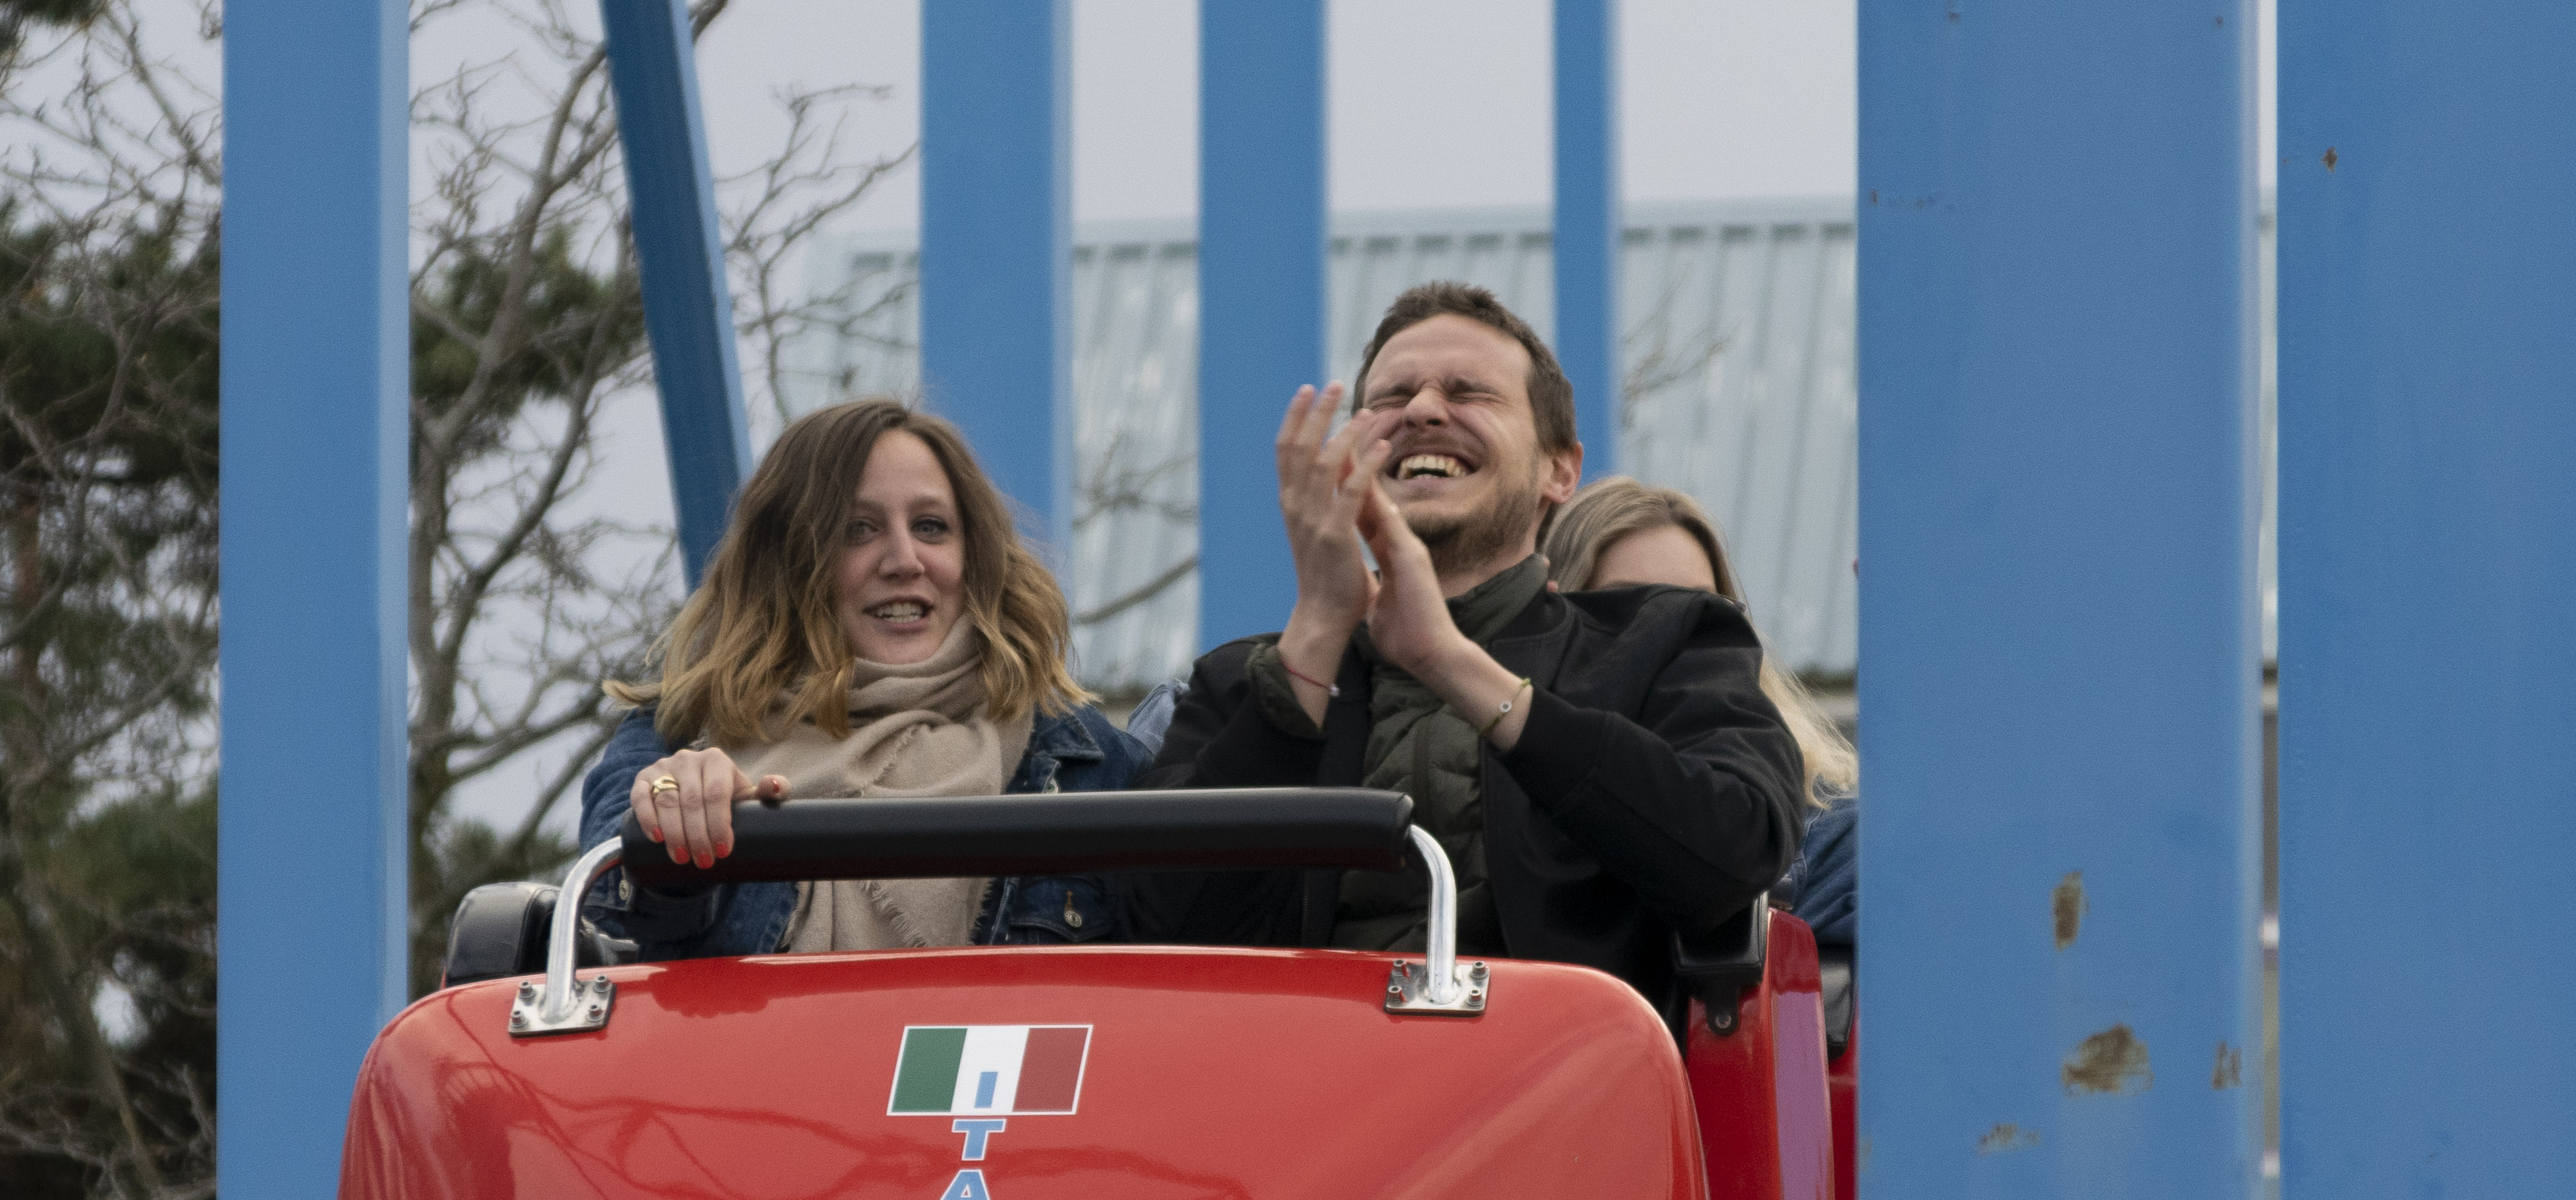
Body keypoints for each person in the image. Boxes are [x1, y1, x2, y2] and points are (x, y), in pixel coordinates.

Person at [1126, 283, 1803, 1013]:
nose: (1422, 410)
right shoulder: (1240, 684)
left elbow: (1736, 855)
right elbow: (1153, 939)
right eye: (1392, 396)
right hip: (1298, 1074)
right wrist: (1317, 631)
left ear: (1559, 470)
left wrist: (1451, 661)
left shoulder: (1663, 641)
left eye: (1468, 392)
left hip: (1566, 1074)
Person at [579, 398, 1144, 958]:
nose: (904, 560)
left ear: (974, 555)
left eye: (931, 527)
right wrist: (677, 827)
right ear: (787, 561)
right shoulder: (671, 742)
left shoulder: (1080, 758)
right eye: (857, 530)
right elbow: (609, 926)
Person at [1542, 477, 1857, 945]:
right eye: (1629, 606)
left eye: (1704, 610)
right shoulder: (1495, 809)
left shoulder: (1827, 836)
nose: (1673, 632)